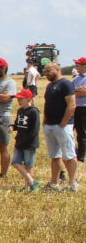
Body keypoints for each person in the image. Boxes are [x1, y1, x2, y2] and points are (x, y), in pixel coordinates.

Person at [42, 62, 78, 192]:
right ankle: (54, 183)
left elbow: (71, 104)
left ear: (57, 69)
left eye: (48, 71)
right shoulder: (50, 86)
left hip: (62, 126)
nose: (46, 73)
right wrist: (45, 122)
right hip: (50, 125)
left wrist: (64, 122)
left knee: (68, 156)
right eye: (45, 71)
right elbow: (47, 105)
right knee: (55, 156)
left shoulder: (66, 84)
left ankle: (72, 183)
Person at [11, 88, 41, 192]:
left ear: (28, 99)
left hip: (29, 143)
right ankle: (32, 183)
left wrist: (27, 141)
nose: (18, 101)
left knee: (28, 165)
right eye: (18, 99)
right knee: (15, 162)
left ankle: (29, 186)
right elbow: (17, 124)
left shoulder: (33, 111)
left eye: (21, 99)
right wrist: (12, 127)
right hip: (19, 141)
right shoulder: (20, 111)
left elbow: (35, 130)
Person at [72, 57, 86, 163]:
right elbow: (69, 92)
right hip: (74, 107)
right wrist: (77, 90)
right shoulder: (76, 79)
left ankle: (80, 157)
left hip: (83, 108)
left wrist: (74, 92)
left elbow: (83, 93)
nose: (76, 67)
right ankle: (74, 152)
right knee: (69, 132)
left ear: (84, 66)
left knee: (81, 133)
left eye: (78, 65)